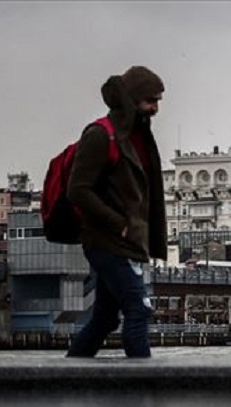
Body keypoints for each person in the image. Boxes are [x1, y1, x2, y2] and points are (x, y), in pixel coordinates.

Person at [66, 66, 167, 359]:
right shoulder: (101, 135)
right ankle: (144, 384)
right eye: (150, 101)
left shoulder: (137, 137)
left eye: (158, 101)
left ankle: (69, 372)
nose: (155, 108)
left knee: (105, 319)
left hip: (129, 242)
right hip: (106, 241)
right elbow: (78, 189)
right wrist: (119, 223)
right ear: (132, 99)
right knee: (138, 307)